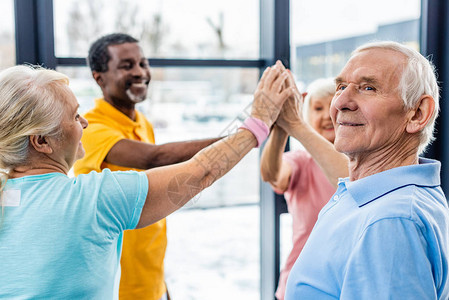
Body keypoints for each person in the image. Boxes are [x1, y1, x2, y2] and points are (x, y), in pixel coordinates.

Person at [0, 63, 292, 298]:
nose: (84, 123)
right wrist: (258, 122)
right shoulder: (93, 199)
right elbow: (201, 172)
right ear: (41, 141)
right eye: (75, 117)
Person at [284, 41, 449, 299]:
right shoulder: (372, 198)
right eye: (341, 86)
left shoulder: (390, 221)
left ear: (417, 114)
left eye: (368, 88)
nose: (340, 102)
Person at [73, 33, 220, 300]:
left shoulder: (142, 122)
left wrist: (161, 287)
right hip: (115, 288)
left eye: (143, 63)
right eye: (127, 65)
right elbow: (154, 158)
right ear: (99, 77)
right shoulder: (89, 127)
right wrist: (245, 135)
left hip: (151, 283)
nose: (140, 72)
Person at [260, 76, 348, 300]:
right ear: (307, 116)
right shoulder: (300, 160)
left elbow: (350, 179)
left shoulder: (363, 164)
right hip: (302, 285)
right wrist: (282, 129)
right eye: (317, 108)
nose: (325, 116)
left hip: (347, 284)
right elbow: (272, 174)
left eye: (332, 107)